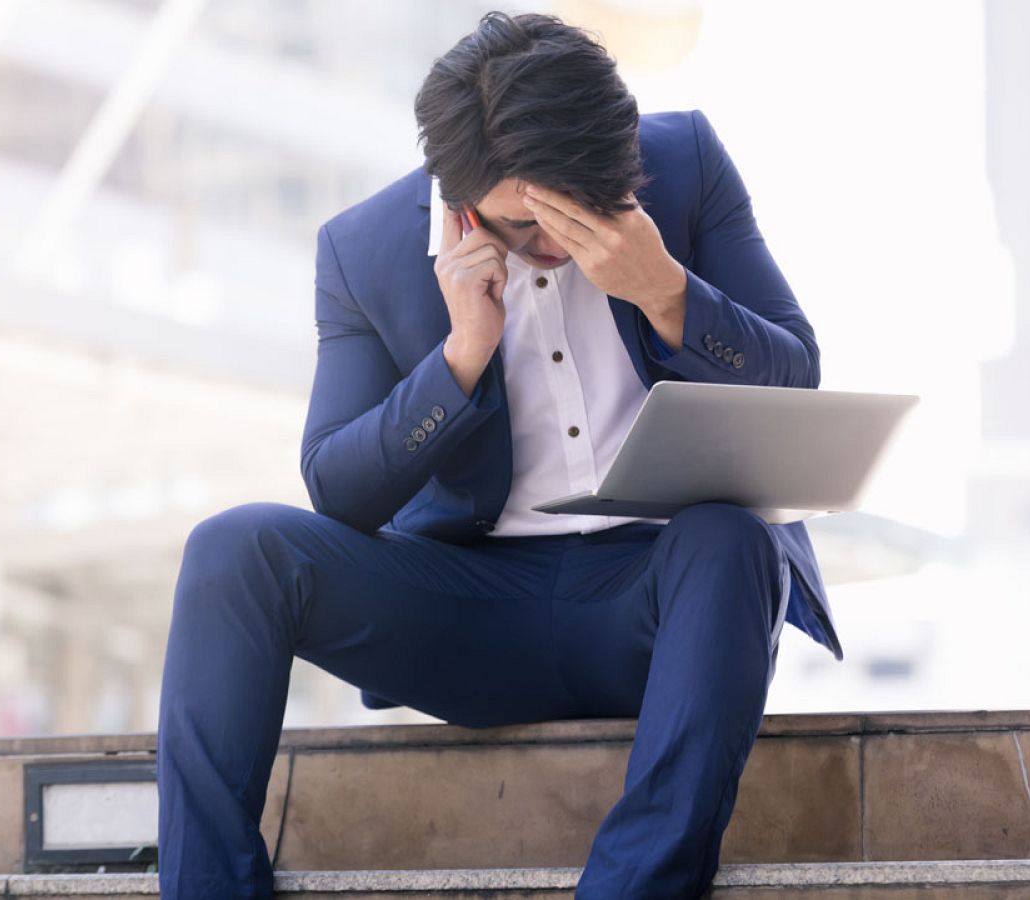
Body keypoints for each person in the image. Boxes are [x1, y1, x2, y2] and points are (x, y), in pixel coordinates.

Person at [157, 11, 841, 899]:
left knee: (731, 538)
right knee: (233, 550)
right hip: (466, 609)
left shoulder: (688, 165)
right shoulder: (362, 251)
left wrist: (667, 292)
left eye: (585, 210)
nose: (556, 248)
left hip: (655, 603)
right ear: (459, 195)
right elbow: (340, 489)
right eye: (525, 227)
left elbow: (797, 384)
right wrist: (459, 358)